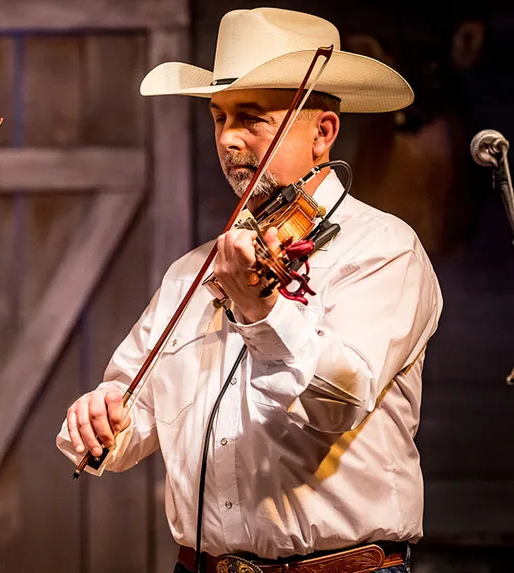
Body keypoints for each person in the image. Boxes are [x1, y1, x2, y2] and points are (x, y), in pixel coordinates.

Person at [57, 8, 442, 573]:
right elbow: (131, 415)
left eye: (252, 118)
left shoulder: (383, 250)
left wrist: (262, 308)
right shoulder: (193, 271)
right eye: (218, 117)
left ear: (323, 133)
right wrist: (99, 420)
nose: (228, 139)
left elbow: (335, 403)